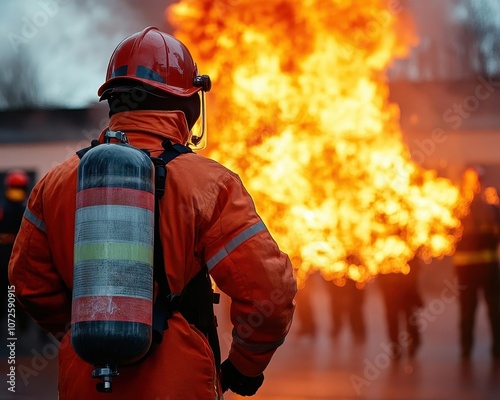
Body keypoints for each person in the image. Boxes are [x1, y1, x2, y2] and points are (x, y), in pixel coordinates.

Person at [8, 27, 297, 399]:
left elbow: (27, 282)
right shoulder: (210, 184)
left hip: (87, 383)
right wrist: (243, 369)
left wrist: (85, 328)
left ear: (113, 100)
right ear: (188, 104)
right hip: (181, 385)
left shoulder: (55, 183)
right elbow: (269, 294)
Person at [452, 167, 500, 361]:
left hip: (476, 271)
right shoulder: (491, 209)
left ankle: (472, 350)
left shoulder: (458, 209)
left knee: (486, 312)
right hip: (480, 270)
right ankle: (473, 349)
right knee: (477, 312)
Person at [377, 257, 424, 360]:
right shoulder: (381, 245)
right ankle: (395, 348)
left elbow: (414, 267)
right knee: (392, 319)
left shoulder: (407, 245)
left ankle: (414, 343)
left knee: (409, 317)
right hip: (389, 287)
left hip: (406, 286)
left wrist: (414, 291)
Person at [1, 170, 29, 323]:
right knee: (16, 288)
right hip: (18, 252)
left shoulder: (4, 208)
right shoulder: (25, 208)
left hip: (4, 252)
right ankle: (21, 321)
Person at [326, 278, 366, 343]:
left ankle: (358, 331)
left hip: (354, 280)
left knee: (354, 307)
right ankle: (337, 327)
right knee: (337, 305)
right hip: (336, 281)